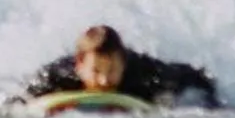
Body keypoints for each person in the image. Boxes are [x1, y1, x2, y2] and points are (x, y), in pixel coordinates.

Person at [16, 24, 221, 108]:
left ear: (123, 62)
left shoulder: (145, 74)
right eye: (96, 71)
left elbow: (199, 76)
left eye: (112, 70)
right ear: (80, 64)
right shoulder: (58, 75)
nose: (104, 81)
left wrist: (214, 105)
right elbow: (18, 100)